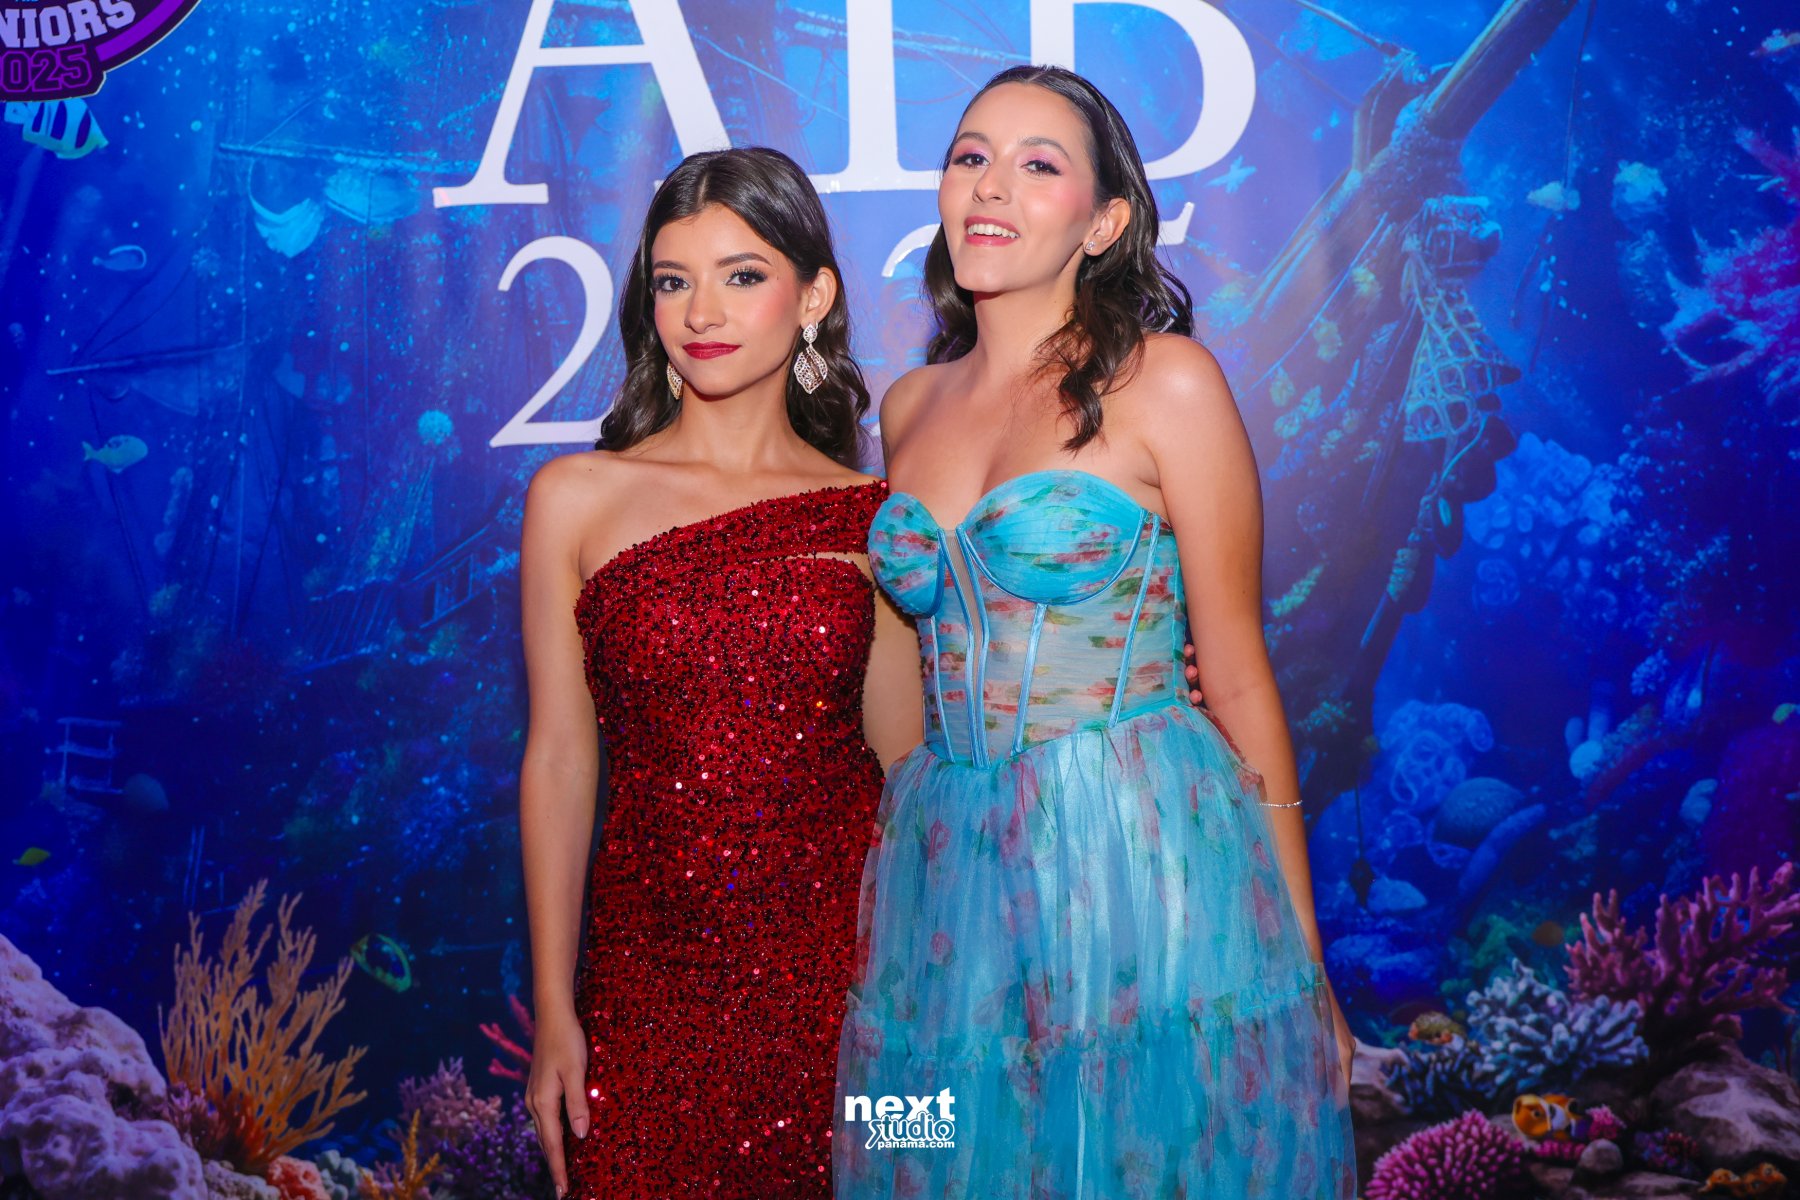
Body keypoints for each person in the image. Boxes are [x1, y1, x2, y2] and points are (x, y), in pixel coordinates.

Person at [833, 65, 1359, 1198]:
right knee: (933, 1154)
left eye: (1038, 165)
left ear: (1104, 221)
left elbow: (1239, 677)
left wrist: (1300, 958)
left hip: (1136, 853)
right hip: (948, 879)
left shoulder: (1170, 384)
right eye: (970, 156)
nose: (991, 186)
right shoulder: (907, 407)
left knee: (1142, 1165)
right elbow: (901, 679)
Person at [514, 146, 923, 1199]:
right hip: (644, 988)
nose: (702, 311)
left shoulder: (875, 518)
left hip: (857, 992)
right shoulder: (573, 498)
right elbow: (560, 760)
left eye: (742, 275)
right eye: (673, 280)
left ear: (814, 297)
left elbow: (910, 777)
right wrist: (556, 1010)